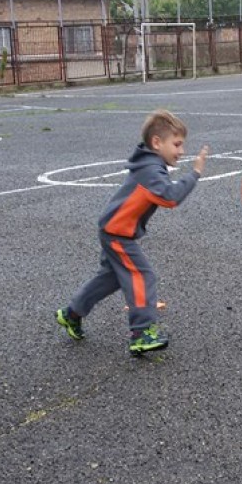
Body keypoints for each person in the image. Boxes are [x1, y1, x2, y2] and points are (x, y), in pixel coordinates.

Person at [56, 109, 209, 354]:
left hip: (114, 229)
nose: (181, 151)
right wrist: (195, 173)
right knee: (142, 275)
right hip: (118, 232)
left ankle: (70, 313)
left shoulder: (150, 164)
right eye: (177, 144)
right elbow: (170, 198)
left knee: (110, 278)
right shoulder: (151, 170)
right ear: (157, 142)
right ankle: (141, 332)